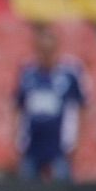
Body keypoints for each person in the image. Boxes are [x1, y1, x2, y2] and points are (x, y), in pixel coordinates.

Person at [15, 24, 86, 182]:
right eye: (41, 50)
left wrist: (77, 141)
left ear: (56, 49)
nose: (45, 55)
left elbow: (81, 108)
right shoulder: (27, 74)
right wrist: (16, 140)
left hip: (60, 147)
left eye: (49, 50)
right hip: (31, 146)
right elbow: (18, 107)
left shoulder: (69, 75)